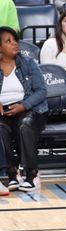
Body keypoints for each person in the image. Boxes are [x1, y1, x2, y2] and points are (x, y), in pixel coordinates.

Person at [0, 26, 47, 192]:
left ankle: (32, 174)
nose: (14, 44)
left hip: (29, 109)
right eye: (8, 41)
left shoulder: (28, 63)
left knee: (24, 125)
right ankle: (13, 174)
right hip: (3, 113)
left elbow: (41, 91)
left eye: (15, 40)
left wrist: (23, 106)